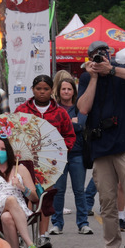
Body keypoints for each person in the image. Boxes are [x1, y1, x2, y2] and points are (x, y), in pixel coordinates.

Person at [77, 40, 125, 248]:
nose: (100, 58)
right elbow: (83, 108)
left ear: (111, 54)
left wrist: (113, 70)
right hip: (101, 145)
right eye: (95, 56)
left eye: (103, 54)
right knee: (107, 202)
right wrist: (95, 77)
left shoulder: (122, 69)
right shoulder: (88, 78)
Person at [15, 74, 75, 248]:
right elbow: (13, 133)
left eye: (46, 89)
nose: (42, 92)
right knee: (23, 196)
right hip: (25, 162)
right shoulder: (22, 110)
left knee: (45, 197)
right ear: (33, 90)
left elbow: (69, 136)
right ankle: (22, 234)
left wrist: (60, 153)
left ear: (51, 91)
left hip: (49, 165)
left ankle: (43, 235)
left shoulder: (60, 113)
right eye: (38, 89)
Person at [52, 75, 91, 235]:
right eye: (64, 89)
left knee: (79, 191)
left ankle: (83, 223)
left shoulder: (79, 106)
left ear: (73, 91)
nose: (66, 91)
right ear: (59, 91)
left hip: (77, 154)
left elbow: (81, 125)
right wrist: (71, 123)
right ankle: (57, 224)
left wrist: (67, 124)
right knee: (58, 191)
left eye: (69, 89)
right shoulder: (54, 109)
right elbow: (54, 128)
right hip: (58, 156)